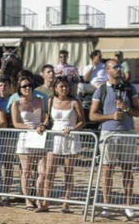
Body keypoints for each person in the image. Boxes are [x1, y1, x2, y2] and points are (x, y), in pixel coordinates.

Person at [90, 61, 139, 219]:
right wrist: (111, 116)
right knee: (107, 171)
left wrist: (125, 108)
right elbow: (92, 115)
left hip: (127, 132)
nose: (119, 70)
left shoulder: (129, 88)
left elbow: (137, 112)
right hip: (108, 133)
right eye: (115, 67)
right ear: (107, 70)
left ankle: (129, 205)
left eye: (119, 67)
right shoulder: (101, 90)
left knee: (127, 171)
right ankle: (107, 205)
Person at [38, 76, 85, 213]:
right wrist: (43, 125)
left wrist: (72, 129)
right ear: (55, 88)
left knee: (68, 172)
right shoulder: (51, 100)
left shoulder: (75, 102)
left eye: (66, 86)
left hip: (70, 137)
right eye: (61, 86)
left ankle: (66, 204)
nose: (64, 89)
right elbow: (48, 117)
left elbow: (82, 121)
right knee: (49, 172)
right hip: (55, 137)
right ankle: (45, 203)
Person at [10, 76, 48, 210]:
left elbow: (43, 117)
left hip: (39, 137)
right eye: (24, 86)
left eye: (29, 85)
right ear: (19, 89)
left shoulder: (40, 101)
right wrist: (31, 128)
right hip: (26, 137)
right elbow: (16, 123)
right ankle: (28, 200)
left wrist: (44, 124)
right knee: (26, 172)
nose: (27, 88)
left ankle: (38, 198)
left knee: (43, 171)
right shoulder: (16, 103)